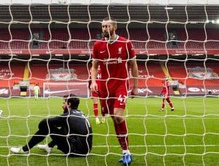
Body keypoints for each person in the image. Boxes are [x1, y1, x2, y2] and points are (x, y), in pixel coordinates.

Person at [90, 17, 138, 165]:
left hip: (120, 85)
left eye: (107, 26)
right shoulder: (98, 45)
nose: (104, 29)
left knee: (118, 116)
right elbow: (94, 66)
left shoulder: (125, 43)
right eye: (103, 26)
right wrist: (93, 82)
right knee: (113, 118)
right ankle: (124, 151)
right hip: (104, 87)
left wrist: (135, 85)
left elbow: (133, 64)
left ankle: (127, 151)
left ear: (115, 27)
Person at [10, 94, 93, 156]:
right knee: (65, 128)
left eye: (64, 103)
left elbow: (44, 122)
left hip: (75, 151)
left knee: (47, 127)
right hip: (85, 150)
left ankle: (25, 149)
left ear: (69, 104)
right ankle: (49, 146)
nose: (62, 105)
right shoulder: (81, 114)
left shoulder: (68, 115)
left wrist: (43, 129)